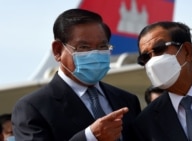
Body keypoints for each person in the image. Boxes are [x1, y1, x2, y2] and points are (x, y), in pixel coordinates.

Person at [11, 8, 141, 141]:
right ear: (57, 51)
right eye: (83, 47)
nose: (95, 54)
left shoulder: (127, 100)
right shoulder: (33, 107)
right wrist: (90, 137)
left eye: (102, 47)